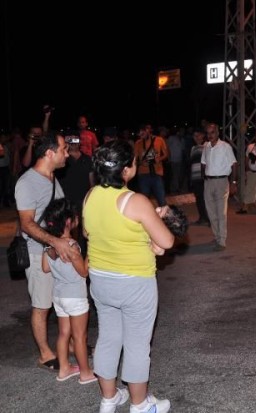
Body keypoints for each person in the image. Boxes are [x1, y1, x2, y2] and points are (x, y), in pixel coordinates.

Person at [82, 140, 175, 413]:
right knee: (136, 344)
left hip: (100, 279)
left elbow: (88, 233)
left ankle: (109, 399)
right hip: (134, 283)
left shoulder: (90, 196)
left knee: (108, 337)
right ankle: (139, 404)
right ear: (126, 170)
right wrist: (159, 219)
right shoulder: (135, 200)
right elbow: (167, 241)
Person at [15, 131, 76, 371]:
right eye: (63, 149)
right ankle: (44, 353)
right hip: (36, 252)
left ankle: (70, 344)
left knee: (64, 301)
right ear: (49, 153)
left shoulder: (52, 178)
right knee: (42, 305)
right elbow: (27, 223)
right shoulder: (27, 182)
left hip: (55, 250)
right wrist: (55, 242)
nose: (67, 153)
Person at [41, 198, 96, 384]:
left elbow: (46, 268)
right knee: (80, 336)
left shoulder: (50, 245)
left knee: (64, 333)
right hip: (75, 296)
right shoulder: (71, 245)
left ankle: (64, 368)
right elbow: (84, 271)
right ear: (68, 222)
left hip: (59, 296)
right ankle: (86, 373)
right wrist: (91, 251)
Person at [201, 122, 237, 251]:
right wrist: (203, 177)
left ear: (218, 133)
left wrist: (233, 182)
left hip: (222, 181)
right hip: (209, 182)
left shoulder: (225, 147)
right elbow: (203, 163)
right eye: (208, 133)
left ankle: (222, 241)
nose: (210, 135)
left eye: (212, 132)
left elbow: (234, 164)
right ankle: (217, 236)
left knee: (221, 212)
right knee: (211, 212)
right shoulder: (206, 146)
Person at [56, 133, 94, 258]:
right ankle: (70, 254)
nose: (73, 143)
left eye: (76, 140)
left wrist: (92, 196)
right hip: (67, 200)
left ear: (80, 142)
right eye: (70, 140)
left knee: (85, 229)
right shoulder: (63, 159)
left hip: (83, 199)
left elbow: (91, 180)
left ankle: (83, 255)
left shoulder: (87, 159)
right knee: (68, 229)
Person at [134, 123, 169, 207]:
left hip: (157, 173)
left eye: (142, 134)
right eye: (139, 135)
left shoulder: (159, 140)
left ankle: (165, 219)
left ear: (147, 131)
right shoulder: (138, 143)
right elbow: (134, 160)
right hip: (143, 174)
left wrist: (159, 159)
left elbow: (166, 154)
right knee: (144, 201)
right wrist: (141, 163)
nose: (141, 136)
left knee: (161, 200)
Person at [189, 128, 210, 225]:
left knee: (206, 198)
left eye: (198, 135)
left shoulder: (207, 146)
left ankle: (209, 219)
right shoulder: (193, 148)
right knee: (199, 198)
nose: (196, 138)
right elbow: (192, 164)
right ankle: (202, 218)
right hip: (195, 177)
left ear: (203, 136)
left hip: (205, 176)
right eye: (194, 136)